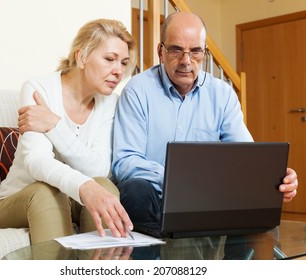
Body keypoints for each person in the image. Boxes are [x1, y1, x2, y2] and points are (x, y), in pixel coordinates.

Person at [112, 12, 298, 229]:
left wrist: (275, 178)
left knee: (254, 203)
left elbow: (245, 156)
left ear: (204, 53)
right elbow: (125, 162)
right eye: (176, 50)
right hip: (154, 194)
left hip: (208, 198)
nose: (186, 61)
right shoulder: (137, 90)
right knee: (135, 190)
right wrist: (179, 179)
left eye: (196, 51)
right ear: (160, 52)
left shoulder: (222, 94)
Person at [0, 18, 137, 244]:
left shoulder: (111, 103)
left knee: (104, 186)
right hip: (16, 200)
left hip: (72, 199)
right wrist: (83, 185)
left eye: (123, 63)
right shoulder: (39, 89)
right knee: (47, 193)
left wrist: (55, 125)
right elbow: (36, 162)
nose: (118, 71)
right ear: (81, 57)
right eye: (109, 59)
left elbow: (98, 168)